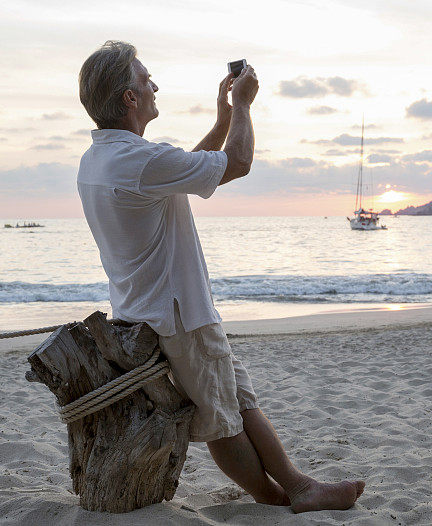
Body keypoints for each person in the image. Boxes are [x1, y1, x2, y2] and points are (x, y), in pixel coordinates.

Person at [76, 40, 364, 512]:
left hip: (149, 308)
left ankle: (299, 486)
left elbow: (183, 171)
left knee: (240, 399)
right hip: (177, 313)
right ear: (129, 98)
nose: (154, 85)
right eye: (145, 78)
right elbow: (239, 163)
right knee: (221, 419)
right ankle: (273, 499)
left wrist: (223, 119)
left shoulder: (106, 158)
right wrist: (245, 108)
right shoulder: (139, 160)